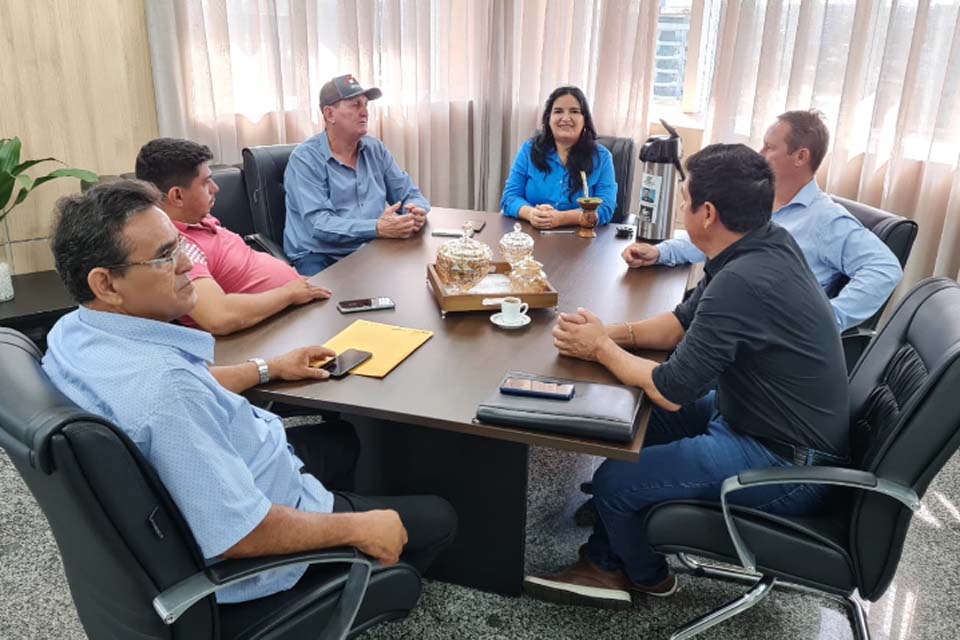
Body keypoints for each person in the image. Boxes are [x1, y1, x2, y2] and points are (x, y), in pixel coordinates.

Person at [42, 180, 456, 604]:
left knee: (342, 439)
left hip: (235, 465)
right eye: (166, 256)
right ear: (106, 284)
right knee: (439, 519)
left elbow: (185, 392)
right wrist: (360, 528)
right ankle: (346, 585)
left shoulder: (72, 333)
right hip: (252, 543)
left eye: (180, 245)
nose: (187, 264)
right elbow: (239, 534)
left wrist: (268, 368)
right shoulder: (166, 391)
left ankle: (345, 531)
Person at [524, 144, 849, 608]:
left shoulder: (745, 280)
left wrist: (600, 347)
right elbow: (679, 324)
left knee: (617, 478)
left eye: (683, 199)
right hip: (758, 418)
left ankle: (633, 573)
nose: (679, 207)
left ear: (708, 213)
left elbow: (671, 389)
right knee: (627, 421)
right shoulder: (761, 244)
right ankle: (617, 536)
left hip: (787, 462)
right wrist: (602, 331)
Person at [622, 110, 902, 331]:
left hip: (755, 342)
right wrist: (661, 252)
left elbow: (885, 268)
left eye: (770, 147)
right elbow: (720, 238)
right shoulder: (759, 199)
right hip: (718, 313)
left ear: (800, 156)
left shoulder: (826, 220)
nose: (760, 154)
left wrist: (831, 320)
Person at [134, 138, 333, 335]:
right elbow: (218, 316)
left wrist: (295, 286)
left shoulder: (199, 218)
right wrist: (289, 293)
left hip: (292, 312)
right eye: (205, 183)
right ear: (177, 196)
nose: (215, 188)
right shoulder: (179, 247)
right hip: (267, 333)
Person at [284, 74, 431, 275]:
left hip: (369, 245)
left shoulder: (375, 149)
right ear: (329, 114)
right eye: (355, 105)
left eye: (365, 106)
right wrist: (378, 228)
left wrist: (414, 212)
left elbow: (410, 194)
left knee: (420, 280)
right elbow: (319, 225)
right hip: (320, 254)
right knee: (327, 304)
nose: (364, 113)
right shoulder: (305, 159)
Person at [501, 86, 618, 229]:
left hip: (580, 241)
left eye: (574, 111)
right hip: (530, 236)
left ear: (585, 119)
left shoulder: (602, 158)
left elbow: (606, 208)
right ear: (548, 118)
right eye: (558, 111)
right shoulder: (529, 150)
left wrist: (561, 218)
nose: (566, 118)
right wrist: (531, 214)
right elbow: (509, 198)